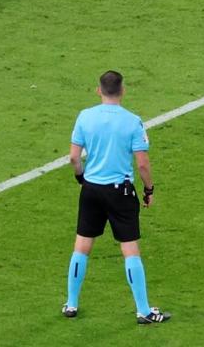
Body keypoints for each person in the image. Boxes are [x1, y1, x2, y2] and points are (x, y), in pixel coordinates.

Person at [63, 70, 170, 325]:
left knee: (82, 246)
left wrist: (81, 179)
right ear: (123, 91)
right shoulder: (132, 121)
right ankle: (143, 310)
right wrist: (149, 190)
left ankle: (71, 303)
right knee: (130, 249)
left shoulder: (85, 117)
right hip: (120, 192)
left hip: (91, 189)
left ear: (98, 90)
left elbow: (74, 158)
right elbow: (142, 164)